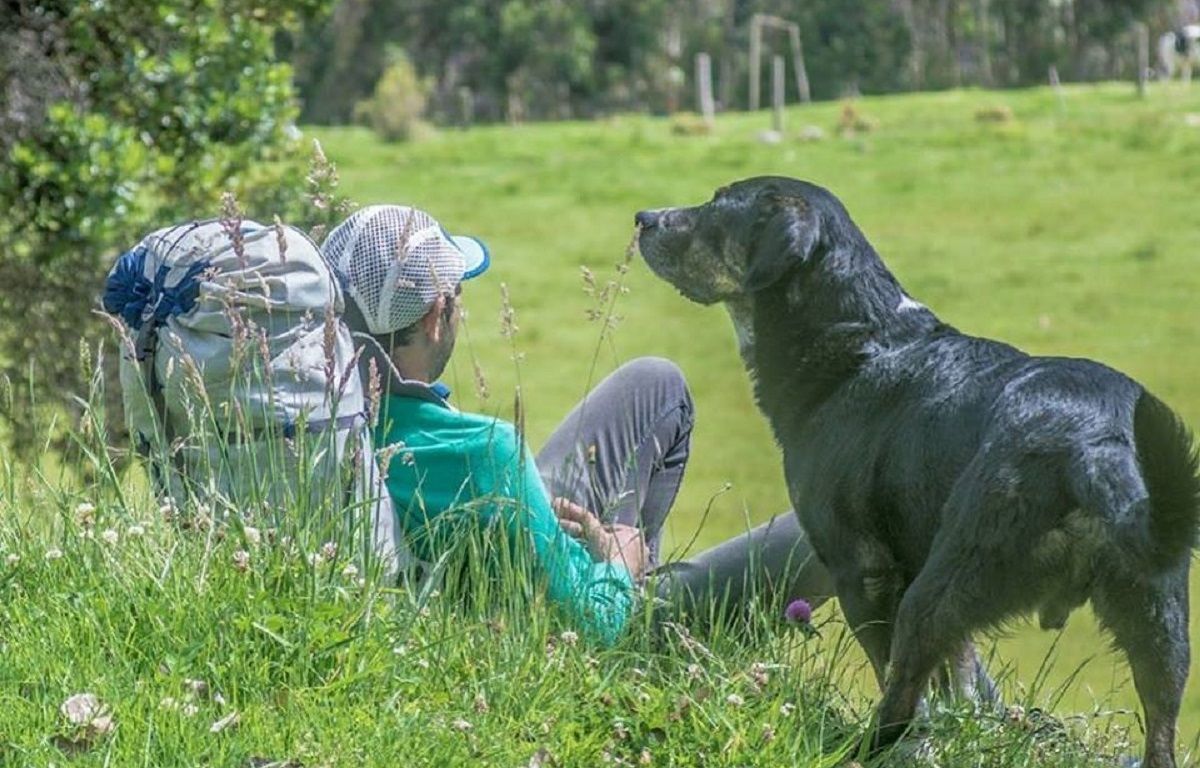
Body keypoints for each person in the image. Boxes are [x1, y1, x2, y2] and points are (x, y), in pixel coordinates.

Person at [321, 205, 833, 645]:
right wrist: (617, 563)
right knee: (835, 524)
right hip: (574, 627)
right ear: (436, 317)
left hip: (509, 572)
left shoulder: (316, 427)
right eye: (458, 295)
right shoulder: (483, 452)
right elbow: (592, 629)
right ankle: (648, 633)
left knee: (656, 384)